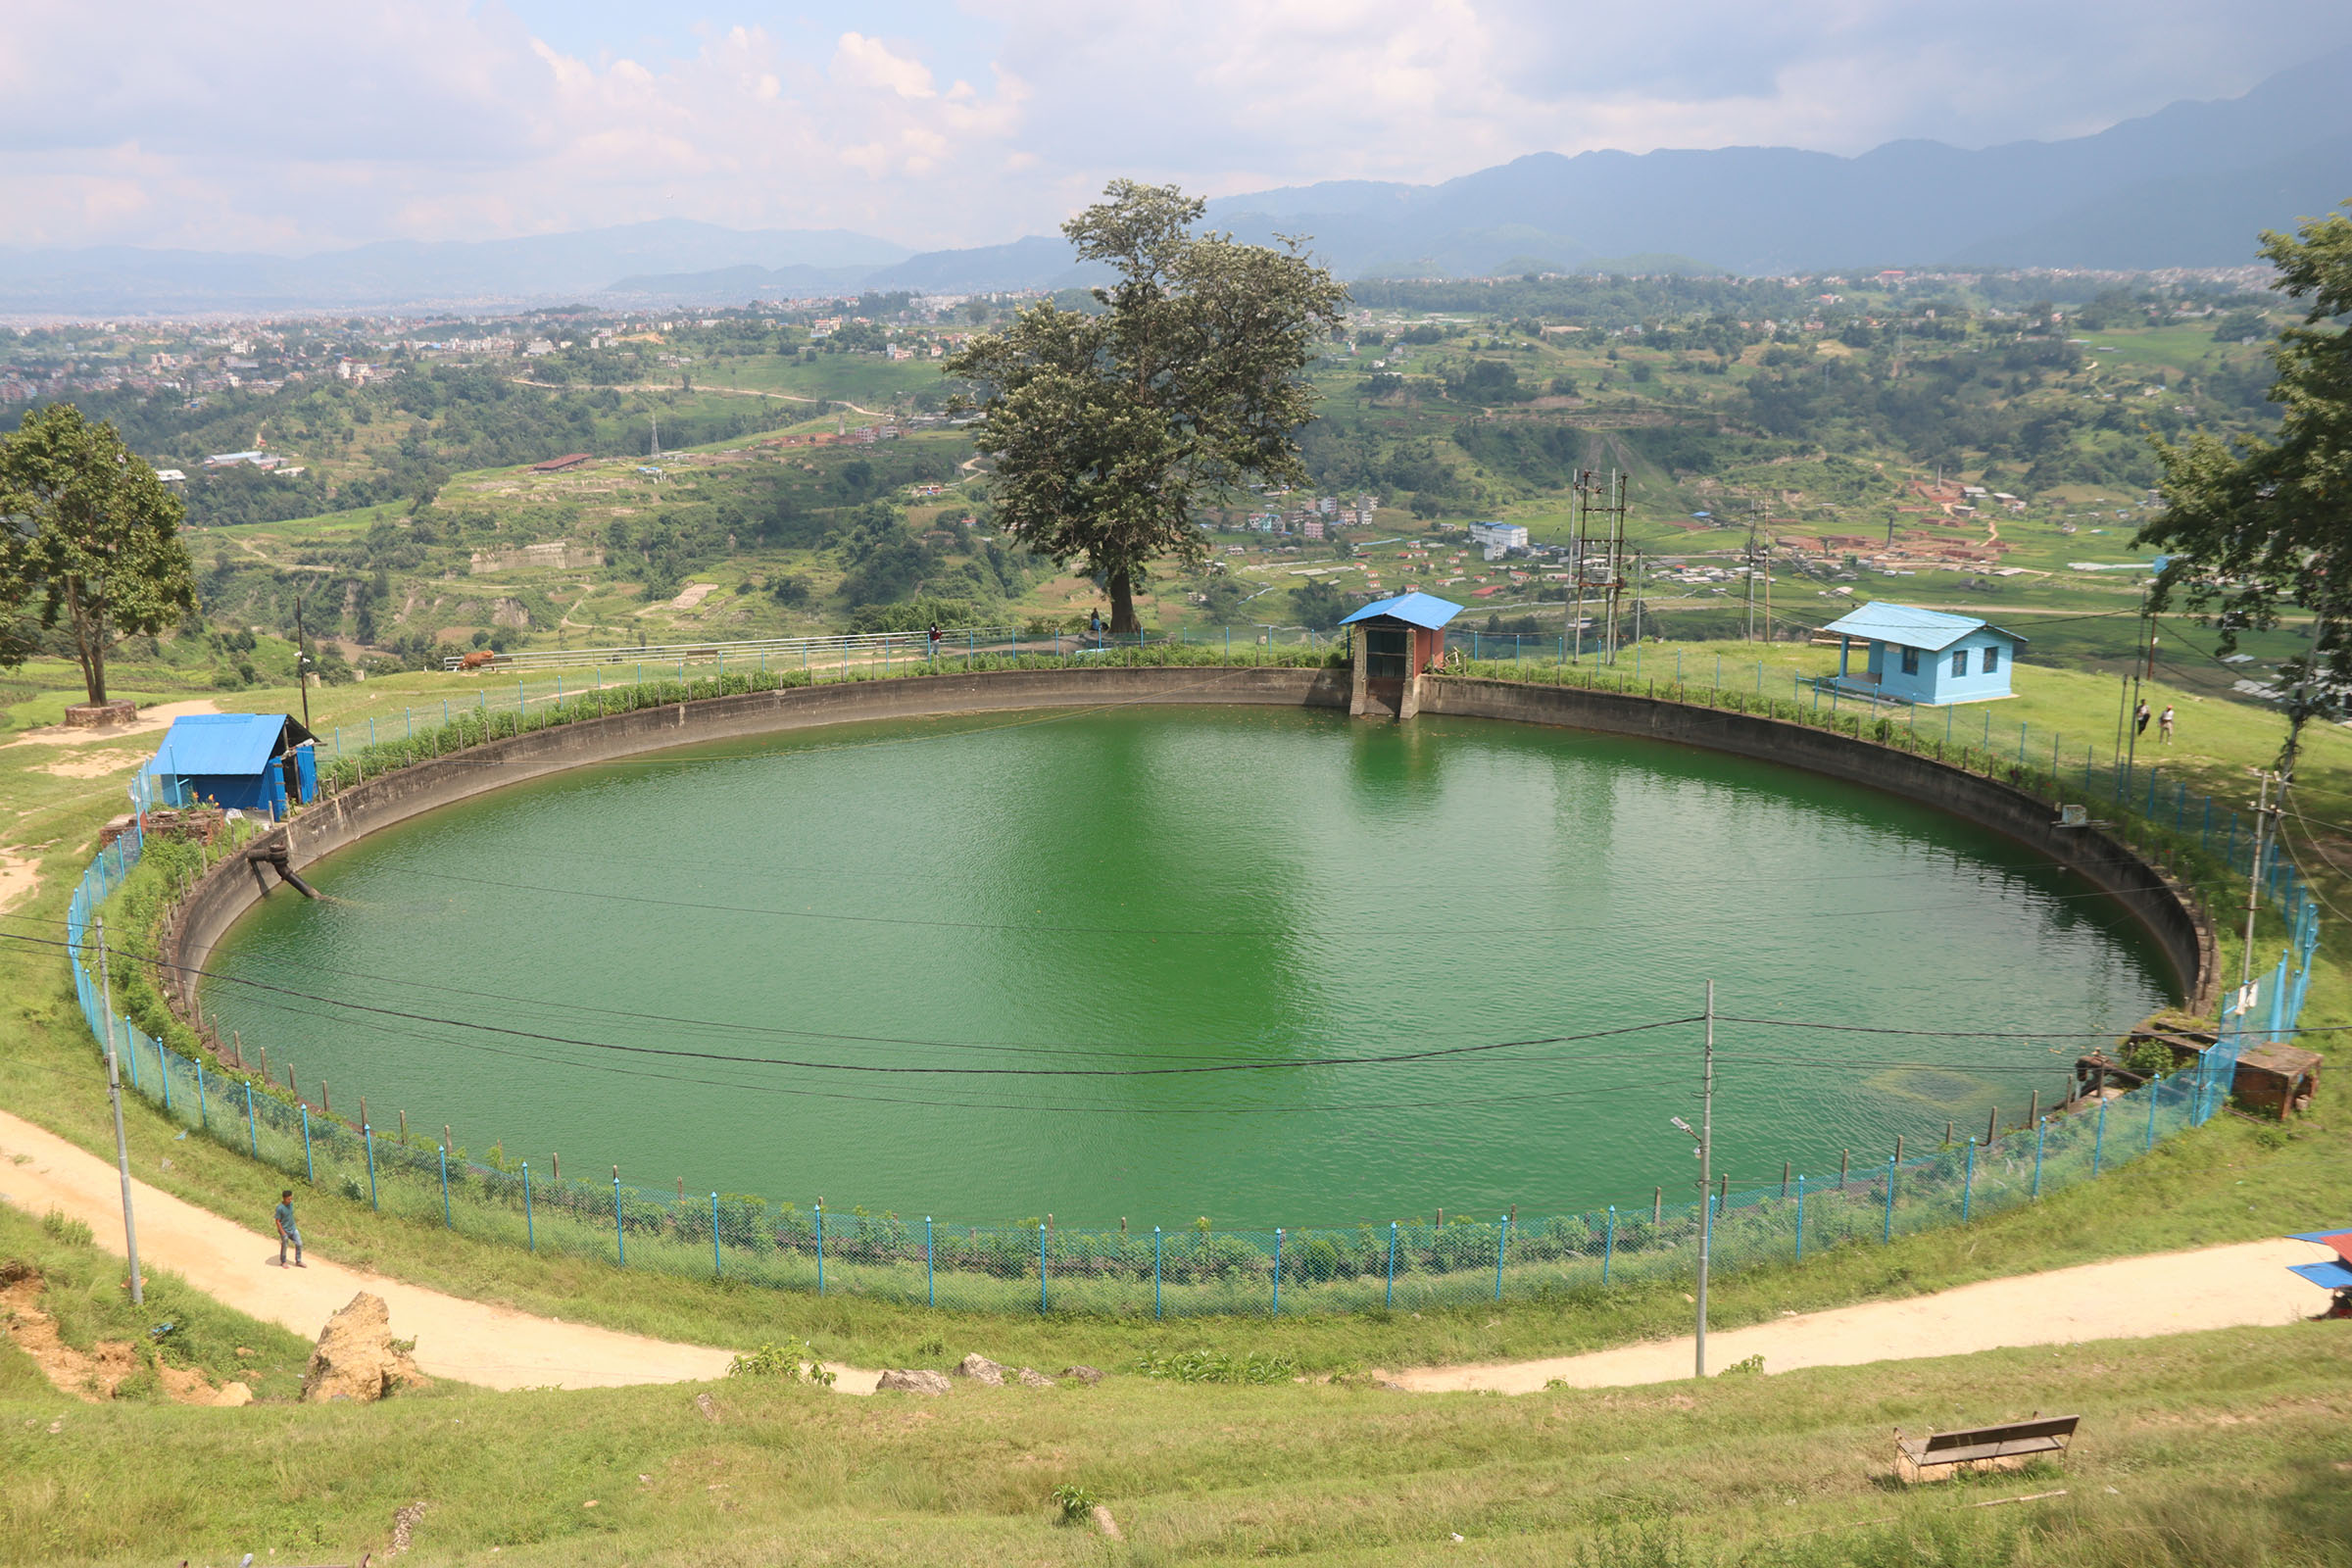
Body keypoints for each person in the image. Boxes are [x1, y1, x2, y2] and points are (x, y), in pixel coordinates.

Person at [274, 1189, 304, 1267]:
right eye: (288, 1199)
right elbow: (277, 1221)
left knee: (299, 1243)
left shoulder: (291, 1204)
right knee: (285, 1245)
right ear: (284, 1198)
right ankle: (283, 1261)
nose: (290, 1200)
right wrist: (283, 1233)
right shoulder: (279, 1208)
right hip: (284, 1230)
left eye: (291, 1198)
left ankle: (298, 1261)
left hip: (293, 1229)